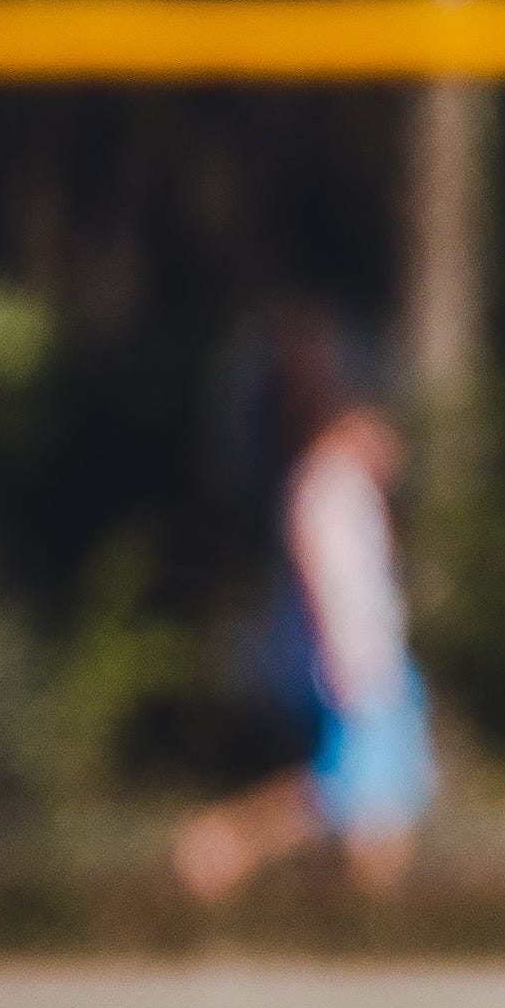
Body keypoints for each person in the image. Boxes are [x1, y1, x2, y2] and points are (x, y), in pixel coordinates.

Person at [174, 304, 435, 901]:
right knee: (350, 801)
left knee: (369, 806)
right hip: (357, 664)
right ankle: (219, 845)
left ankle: (251, 860)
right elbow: (324, 579)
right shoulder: (327, 486)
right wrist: (347, 661)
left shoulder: (339, 484)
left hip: (368, 660)